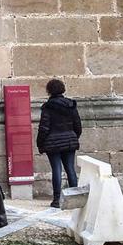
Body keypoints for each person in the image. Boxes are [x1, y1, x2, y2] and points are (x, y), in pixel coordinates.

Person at [37, 78, 83, 208]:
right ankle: (74, 198)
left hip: (53, 143)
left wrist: (40, 143)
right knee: (70, 169)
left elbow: (44, 128)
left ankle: (57, 200)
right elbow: (77, 125)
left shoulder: (48, 107)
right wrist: (74, 137)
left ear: (49, 91)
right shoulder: (71, 105)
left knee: (56, 169)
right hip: (69, 141)